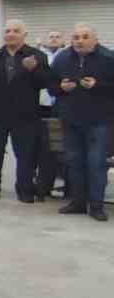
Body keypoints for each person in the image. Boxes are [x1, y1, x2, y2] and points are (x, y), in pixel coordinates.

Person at [0, 19, 51, 203]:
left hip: (24, 114)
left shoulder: (37, 56)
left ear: (24, 35)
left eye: (16, 31)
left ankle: (25, 189)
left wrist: (34, 70)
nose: (11, 34)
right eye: (7, 30)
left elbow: (45, 82)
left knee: (25, 154)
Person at [51, 23, 113, 221]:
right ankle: (77, 202)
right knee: (74, 162)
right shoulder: (62, 58)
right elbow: (50, 85)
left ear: (95, 40)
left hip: (99, 121)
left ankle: (96, 206)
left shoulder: (108, 58)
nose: (80, 41)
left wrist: (98, 86)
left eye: (85, 37)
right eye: (76, 37)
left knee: (96, 164)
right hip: (70, 119)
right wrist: (60, 87)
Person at [37, 29, 69, 198]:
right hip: (43, 106)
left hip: (62, 108)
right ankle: (44, 185)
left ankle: (68, 185)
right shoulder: (40, 56)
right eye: (51, 37)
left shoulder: (67, 56)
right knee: (46, 147)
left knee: (64, 147)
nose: (54, 39)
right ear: (46, 40)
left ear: (63, 40)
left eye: (58, 36)